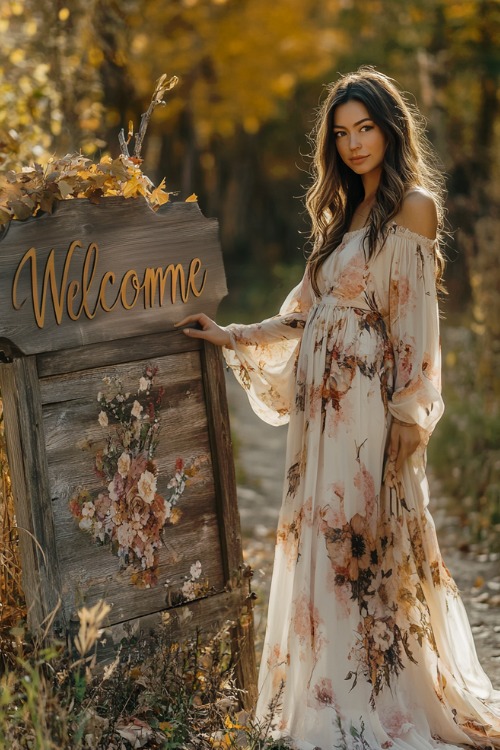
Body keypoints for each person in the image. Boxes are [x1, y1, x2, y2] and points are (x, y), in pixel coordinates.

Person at [176, 67, 500, 749]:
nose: (354, 144)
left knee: (370, 546)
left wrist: (410, 419)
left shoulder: (413, 207)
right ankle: (331, 698)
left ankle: (381, 703)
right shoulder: (342, 214)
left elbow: (416, 329)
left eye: (366, 128)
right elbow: (306, 314)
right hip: (320, 418)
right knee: (325, 544)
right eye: (343, 133)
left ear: (390, 128)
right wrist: (232, 334)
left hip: (368, 414)